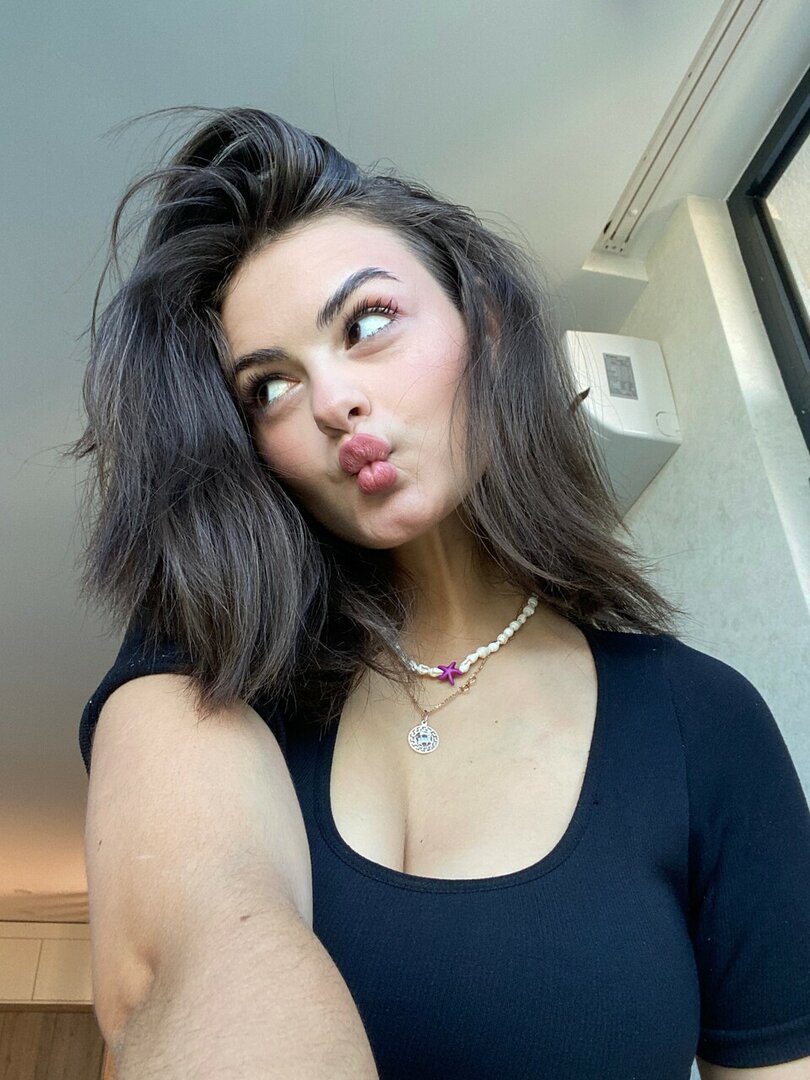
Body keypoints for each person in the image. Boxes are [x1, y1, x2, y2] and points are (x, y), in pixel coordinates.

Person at [72, 106, 810, 1079]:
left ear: (486, 324)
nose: (332, 401)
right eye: (270, 387)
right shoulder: (210, 664)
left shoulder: (700, 722)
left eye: (366, 323)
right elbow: (186, 964)